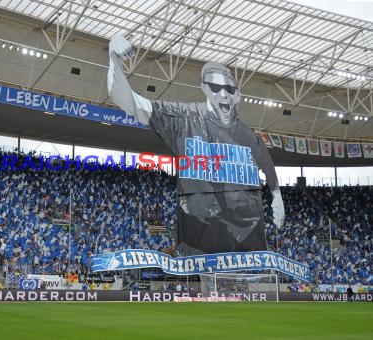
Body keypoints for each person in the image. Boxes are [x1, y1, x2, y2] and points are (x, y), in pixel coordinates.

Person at [107, 35, 285, 255]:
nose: (223, 93)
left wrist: (277, 195)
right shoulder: (184, 118)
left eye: (229, 89)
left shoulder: (247, 135)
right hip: (198, 238)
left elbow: (265, 159)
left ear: (237, 96)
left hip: (242, 243)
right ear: (204, 88)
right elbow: (128, 102)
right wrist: (114, 59)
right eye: (215, 87)